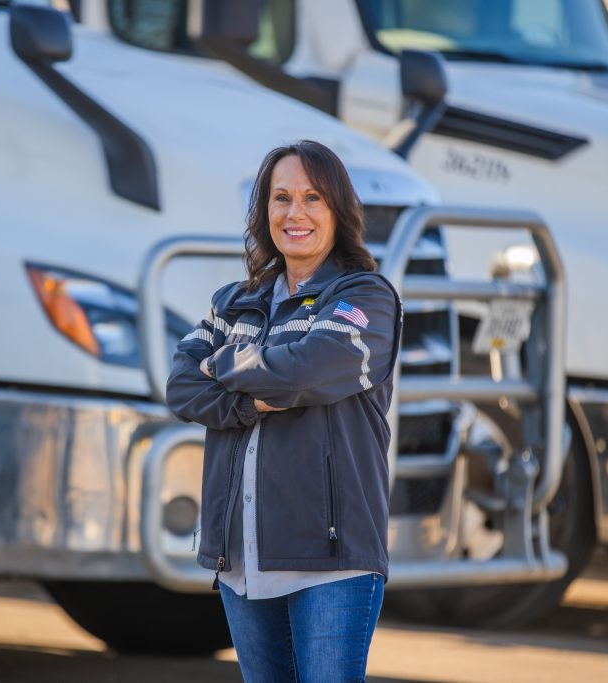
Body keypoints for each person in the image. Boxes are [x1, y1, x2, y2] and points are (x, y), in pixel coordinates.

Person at [166, 140, 402, 682]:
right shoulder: (233, 302)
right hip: (242, 561)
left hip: (332, 562)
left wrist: (222, 363)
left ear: (338, 210)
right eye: (281, 198)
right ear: (264, 210)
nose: (295, 213)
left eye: (313, 198)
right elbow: (181, 386)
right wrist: (254, 400)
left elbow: (306, 371)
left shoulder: (366, 297)